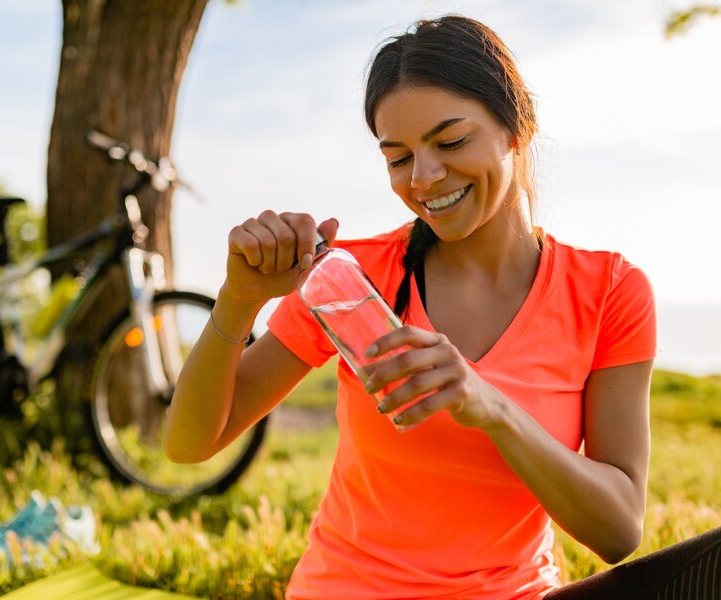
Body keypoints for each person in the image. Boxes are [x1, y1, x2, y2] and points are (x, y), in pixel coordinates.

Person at [164, 14, 687, 599]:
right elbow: (189, 444)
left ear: (518, 127)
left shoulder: (609, 290)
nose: (425, 177)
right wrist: (239, 301)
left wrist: (491, 406)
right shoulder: (353, 280)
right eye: (398, 157)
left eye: (451, 141)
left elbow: (619, 529)